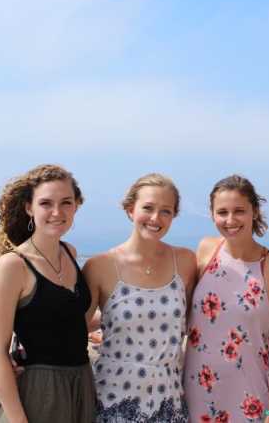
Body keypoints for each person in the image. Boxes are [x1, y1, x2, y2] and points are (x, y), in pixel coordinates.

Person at [0, 164, 96, 423]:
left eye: (66, 203)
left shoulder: (70, 252)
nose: (57, 212)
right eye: (46, 203)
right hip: (40, 391)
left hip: (81, 384)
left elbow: (65, 318)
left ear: (76, 206)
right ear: (29, 207)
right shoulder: (13, 265)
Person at [83, 173, 197, 423]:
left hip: (169, 400)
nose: (156, 218)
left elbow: (197, 321)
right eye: (148, 208)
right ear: (129, 210)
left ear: (174, 216)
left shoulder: (186, 262)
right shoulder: (100, 266)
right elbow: (74, 328)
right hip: (113, 399)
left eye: (166, 211)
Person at [184, 175, 269, 423]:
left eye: (239, 211)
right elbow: (183, 314)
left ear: (254, 212)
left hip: (251, 399)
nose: (230, 220)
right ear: (212, 214)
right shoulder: (206, 249)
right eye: (222, 212)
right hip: (196, 394)